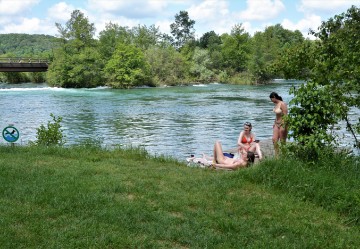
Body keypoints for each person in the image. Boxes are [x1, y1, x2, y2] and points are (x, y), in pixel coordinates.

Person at [269, 92, 288, 156]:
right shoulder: (276, 104)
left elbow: (286, 116)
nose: (271, 101)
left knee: (282, 141)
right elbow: (277, 116)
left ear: (274, 97)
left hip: (283, 124)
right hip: (276, 124)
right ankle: (276, 156)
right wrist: (274, 123)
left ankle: (284, 155)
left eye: (271, 99)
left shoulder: (282, 104)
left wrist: (284, 125)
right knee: (274, 139)